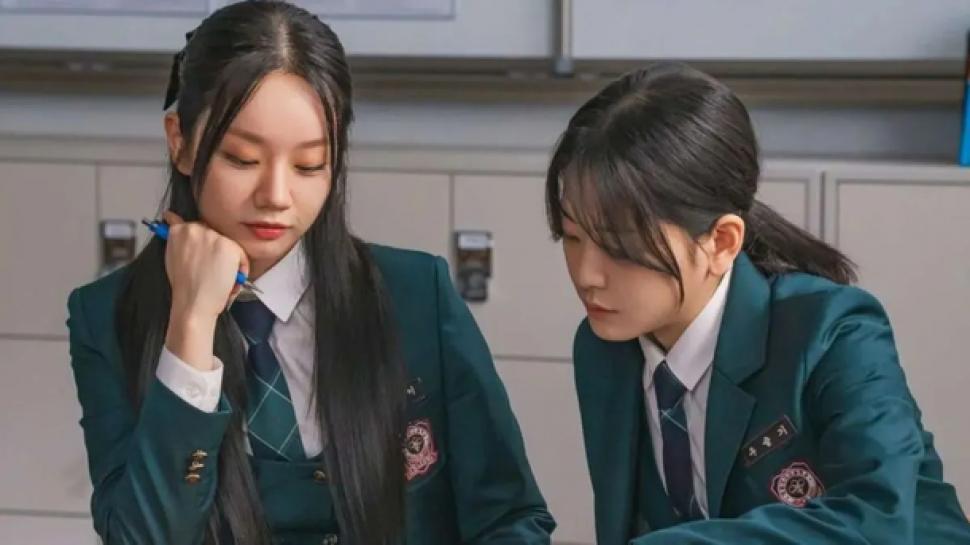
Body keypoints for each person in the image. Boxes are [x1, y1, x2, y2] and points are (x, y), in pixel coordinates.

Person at [66, 2, 554, 544]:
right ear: (179, 142)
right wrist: (191, 326)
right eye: (242, 159)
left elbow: (511, 519)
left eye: (308, 166)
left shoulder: (418, 294)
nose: (276, 196)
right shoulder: (104, 317)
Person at [545, 62, 970, 545]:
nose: (586, 275)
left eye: (618, 245)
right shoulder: (603, 348)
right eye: (572, 237)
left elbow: (877, 521)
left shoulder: (834, 331)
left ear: (721, 242)